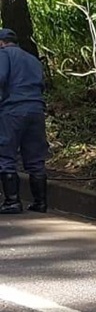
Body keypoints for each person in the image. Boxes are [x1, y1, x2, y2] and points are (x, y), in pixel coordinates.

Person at [0, 28, 48, 214]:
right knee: (35, 157)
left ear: (1, 43)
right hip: (36, 110)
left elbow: (1, 77)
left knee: (6, 154)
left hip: (12, 110)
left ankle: (12, 202)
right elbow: (42, 84)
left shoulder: (4, 55)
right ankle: (40, 202)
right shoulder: (32, 59)